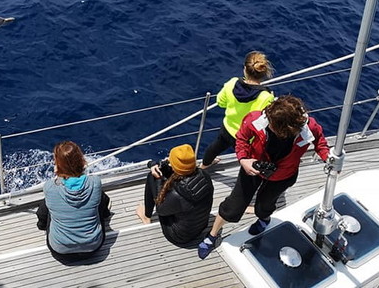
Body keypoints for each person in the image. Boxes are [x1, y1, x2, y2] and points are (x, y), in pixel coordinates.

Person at [197, 95, 329, 259]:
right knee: (233, 206)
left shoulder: (310, 128)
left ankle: (263, 218)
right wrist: (244, 159)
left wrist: (328, 158)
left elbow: (321, 143)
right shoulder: (256, 119)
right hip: (252, 168)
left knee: (264, 205)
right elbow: (242, 138)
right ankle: (212, 235)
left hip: (283, 176)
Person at [36, 141, 111, 260]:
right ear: (81, 161)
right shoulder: (95, 182)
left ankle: (43, 225)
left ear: (58, 165)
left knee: (49, 207)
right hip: (92, 248)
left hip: (60, 251)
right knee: (99, 198)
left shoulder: (50, 187)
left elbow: (41, 213)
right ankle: (106, 214)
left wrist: (42, 225)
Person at [201, 51, 275, 168]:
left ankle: (204, 165)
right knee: (247, 158)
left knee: (215, 147)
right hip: (246, 137)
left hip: (227, 127)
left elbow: (220, 102)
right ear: (264, 73)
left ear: (245, 69)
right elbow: (263, 122)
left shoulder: (232, 83)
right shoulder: (266, 97)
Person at [135, 144, 214, 245]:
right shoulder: (205, 175)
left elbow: (160, 210)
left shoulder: (177, 196)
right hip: (201, 226)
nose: (168, 160)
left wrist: (159, 179)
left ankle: (146, 217)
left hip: (180, 236)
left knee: (152, 176)